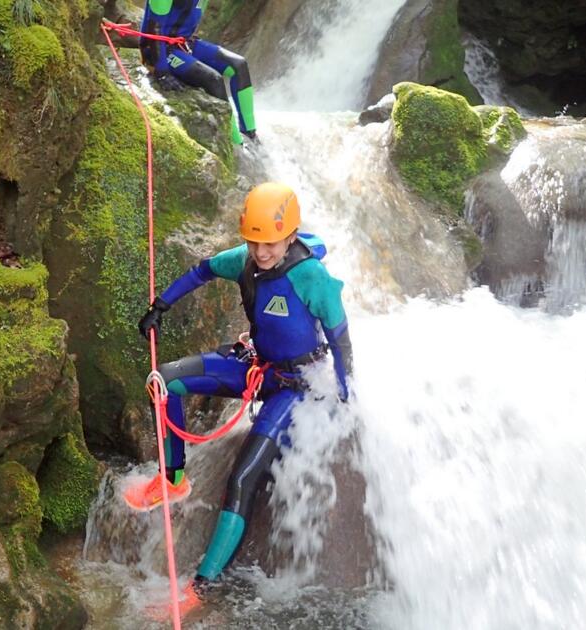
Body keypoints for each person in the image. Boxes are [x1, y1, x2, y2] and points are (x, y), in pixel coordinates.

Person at [128, 181, 353, 611]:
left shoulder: (312, 278)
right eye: (254, 241)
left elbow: (341, 342)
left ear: (290, 236)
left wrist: (345, 394)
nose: (261, 251)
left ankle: (201, 588)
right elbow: (203, 270)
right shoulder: (244, 262)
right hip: (257, 365)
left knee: (242, 478)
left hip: (296, 384)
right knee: (166, 380)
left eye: (270, 242)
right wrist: (161, 305)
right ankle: (173, 479)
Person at [111, 0, 257, 143]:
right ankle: (234, 142)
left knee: (239, 65)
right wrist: (161, 72)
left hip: (185, 43)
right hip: (161, 49)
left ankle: (250, 133)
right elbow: (154, 30)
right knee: (214, 79)